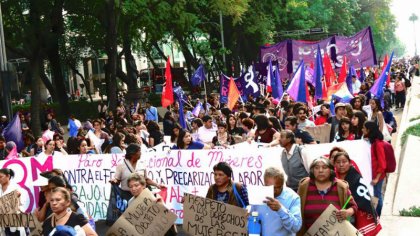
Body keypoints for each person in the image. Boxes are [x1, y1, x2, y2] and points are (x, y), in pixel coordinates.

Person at [297, 158, 358, 233]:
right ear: (312, 170)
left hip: (337, 233)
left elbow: (353, 206)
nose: (320, 170)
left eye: (324, 167)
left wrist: (348, 212)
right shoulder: (304, 186)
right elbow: (295, 209)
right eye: (316, 167)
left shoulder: (341, 187)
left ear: (331, 170)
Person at [333, 151, 382, 235]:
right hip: (336, 215)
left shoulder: (355, 177)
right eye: (338, 162)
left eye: (344, 162)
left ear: (350, 163)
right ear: (334, 164)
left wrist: (350, 211)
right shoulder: (332, 177)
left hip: (354, 214)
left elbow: (363, 199)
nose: (341, 165)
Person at [250, 167, 302, 235]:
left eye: (276, 188)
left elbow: (296, 227)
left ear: (282, 184)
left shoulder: (293, 198)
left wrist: (281, 210)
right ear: (264, 183)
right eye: (269, 187)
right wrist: (249, 217)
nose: (273, 191)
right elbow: (253, 219)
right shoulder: (258, 194)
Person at [363, 121, 386, 216]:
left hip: (378, 176)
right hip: (374, 175)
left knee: (377, 196)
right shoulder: (372, 141)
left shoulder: (378, 144)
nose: (362, 130)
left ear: (369, 130)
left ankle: (380, 215)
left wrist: (377, 178)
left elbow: (382, 164)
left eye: (364, 128)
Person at [0, 168, 26, 236]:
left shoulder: (15, 188)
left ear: (8, 176)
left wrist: (18, 196)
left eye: (0, 177)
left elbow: (22, 203)